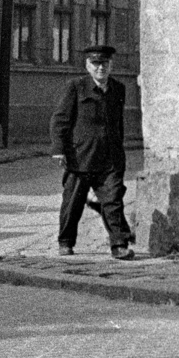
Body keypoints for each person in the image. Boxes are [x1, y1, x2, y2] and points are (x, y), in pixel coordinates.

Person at [50, 43, 135, 259]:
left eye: (104, 63)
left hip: (110, 157)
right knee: (73, 203)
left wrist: (119, 150)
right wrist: (59, 150)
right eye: (96, 64)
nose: (100, 68)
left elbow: (118, 124)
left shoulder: (118, 89)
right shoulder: (76, 87)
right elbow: (60, 119)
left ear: (110, 65)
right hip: (81, 157)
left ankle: (119, 245)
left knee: (113, 200)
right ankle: (66, 242)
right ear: (88, 65)